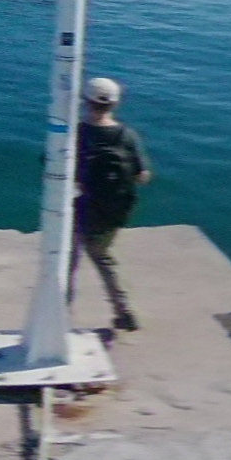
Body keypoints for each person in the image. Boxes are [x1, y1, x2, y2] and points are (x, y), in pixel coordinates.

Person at [76, 76, 153, 333]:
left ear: (85, 101)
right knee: (101, 256)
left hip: (82, 207)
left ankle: (58, 311)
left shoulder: (78, 133)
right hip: (114, 212)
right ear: (115, 104)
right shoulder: (126, 135)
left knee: (67, 259)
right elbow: (143, 176)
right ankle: (122, 310)